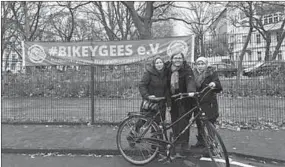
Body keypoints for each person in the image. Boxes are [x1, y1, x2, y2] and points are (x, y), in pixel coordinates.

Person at [126, 56, 169, 147]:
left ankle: (155, 144)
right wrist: (147, 96)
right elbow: (142, 85)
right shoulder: (149, 73)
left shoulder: (166, 74)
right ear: (154, 64)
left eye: (161, 62)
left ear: (163, 64)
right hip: (150, 102)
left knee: (158, 123)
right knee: (143, 120)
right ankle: (132, 136)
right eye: (157, 63)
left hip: (161, 102)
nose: (159, 64)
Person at [165, 52, 196, 155]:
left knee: (184, 121)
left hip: (184, 99)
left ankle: (184, 144)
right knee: (175, 121)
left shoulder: (186, 68)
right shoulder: (168, 69)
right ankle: (176, 143)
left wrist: (191, 91)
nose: (177, 59)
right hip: (173, 99)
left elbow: (190, 80)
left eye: (179, 58)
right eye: (175, 58)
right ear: (172, 59)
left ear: (183, 59)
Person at [191, 56, 223, 149]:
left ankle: (212, 142)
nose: (200, 66)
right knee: (199, 123)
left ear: (206, 64)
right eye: (198, 64)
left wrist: (214, 84)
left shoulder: (211, 73)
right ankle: (201, 141)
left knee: (210, 122)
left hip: (209, 102)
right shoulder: (193, 74)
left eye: (202, 64)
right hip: (198, 102)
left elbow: (218, 85)